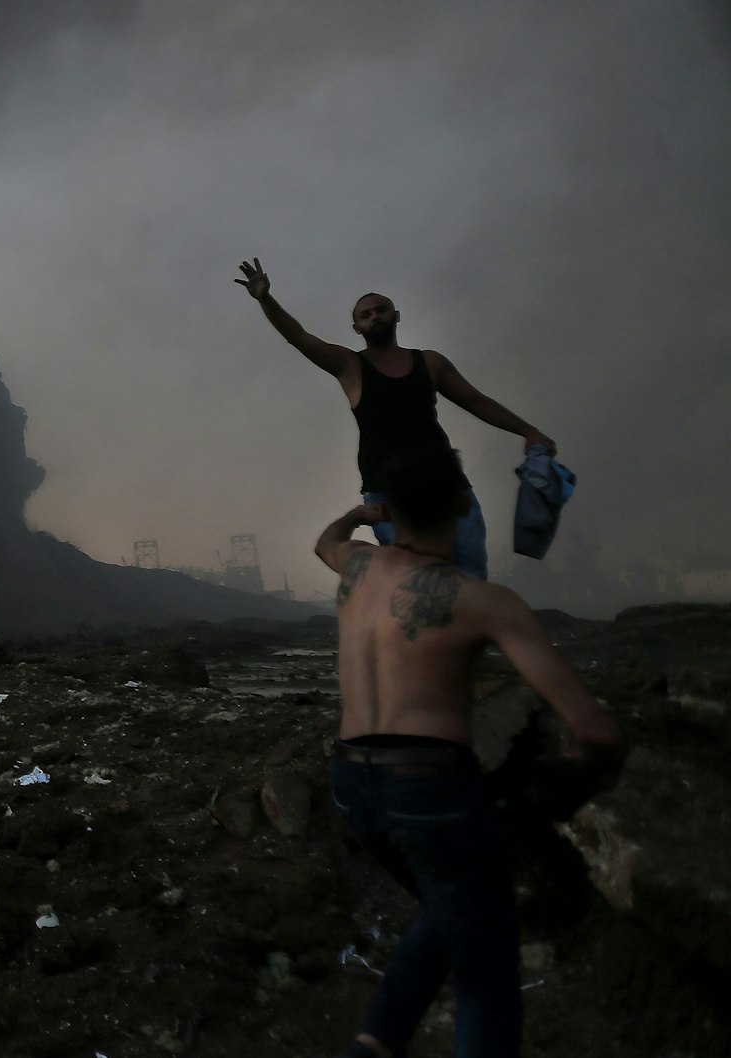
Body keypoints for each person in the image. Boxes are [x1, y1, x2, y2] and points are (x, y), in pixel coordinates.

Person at [313, 447, 625, 1058]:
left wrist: (360, 511)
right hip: (429, 787)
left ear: (390, 510)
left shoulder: (355, 565)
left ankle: (375, 1044)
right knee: (485, 973)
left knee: (450, 909)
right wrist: (603, 764)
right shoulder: (484, 601)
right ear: (464, 504)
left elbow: (325, 537)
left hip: (351, 781)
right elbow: (592, 728)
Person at [237, 258, 556, 579]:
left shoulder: (429, 363)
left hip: (448, 489)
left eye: (381, 309)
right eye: (366, 314)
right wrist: (265, 298)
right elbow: (300, 337)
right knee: (413, 582)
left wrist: (528, 431)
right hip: (387, 495)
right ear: (356, 328)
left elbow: (476, 401)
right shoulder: (351, 366)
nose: (375, 316)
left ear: (396, 316)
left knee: (469, 577)